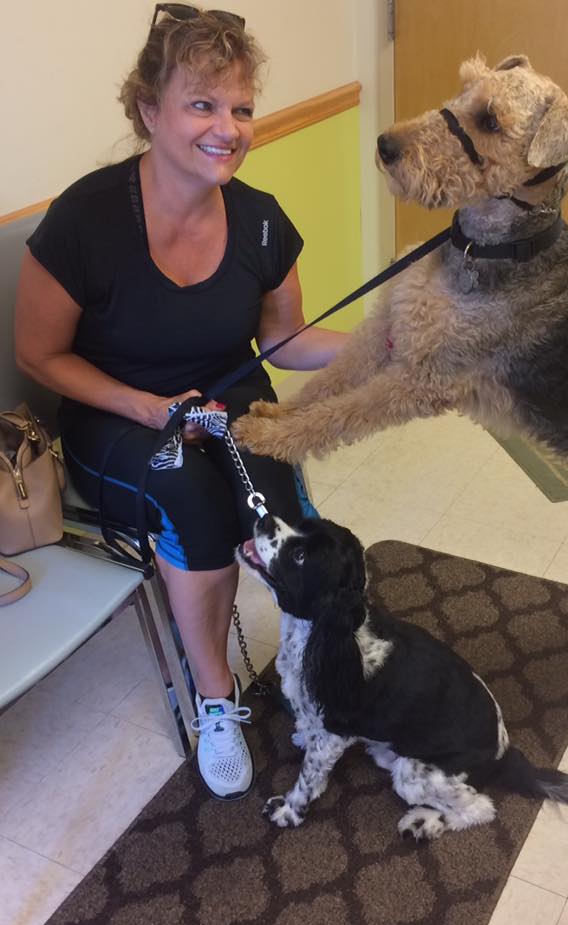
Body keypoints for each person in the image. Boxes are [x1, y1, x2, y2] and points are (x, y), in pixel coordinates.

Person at [14, 5, 347, 801]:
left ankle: (322, 675)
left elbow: (286, 342)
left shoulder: (261, 220)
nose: (226, 128)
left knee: (283, 506)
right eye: (203, 104)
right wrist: (141, 405)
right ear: (148, 111)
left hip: (230, 400)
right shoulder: (86, 220)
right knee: (189, 493)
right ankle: (215, 697)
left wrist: (387, 344)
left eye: (240, 109)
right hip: (114, 416)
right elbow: (38, 353)